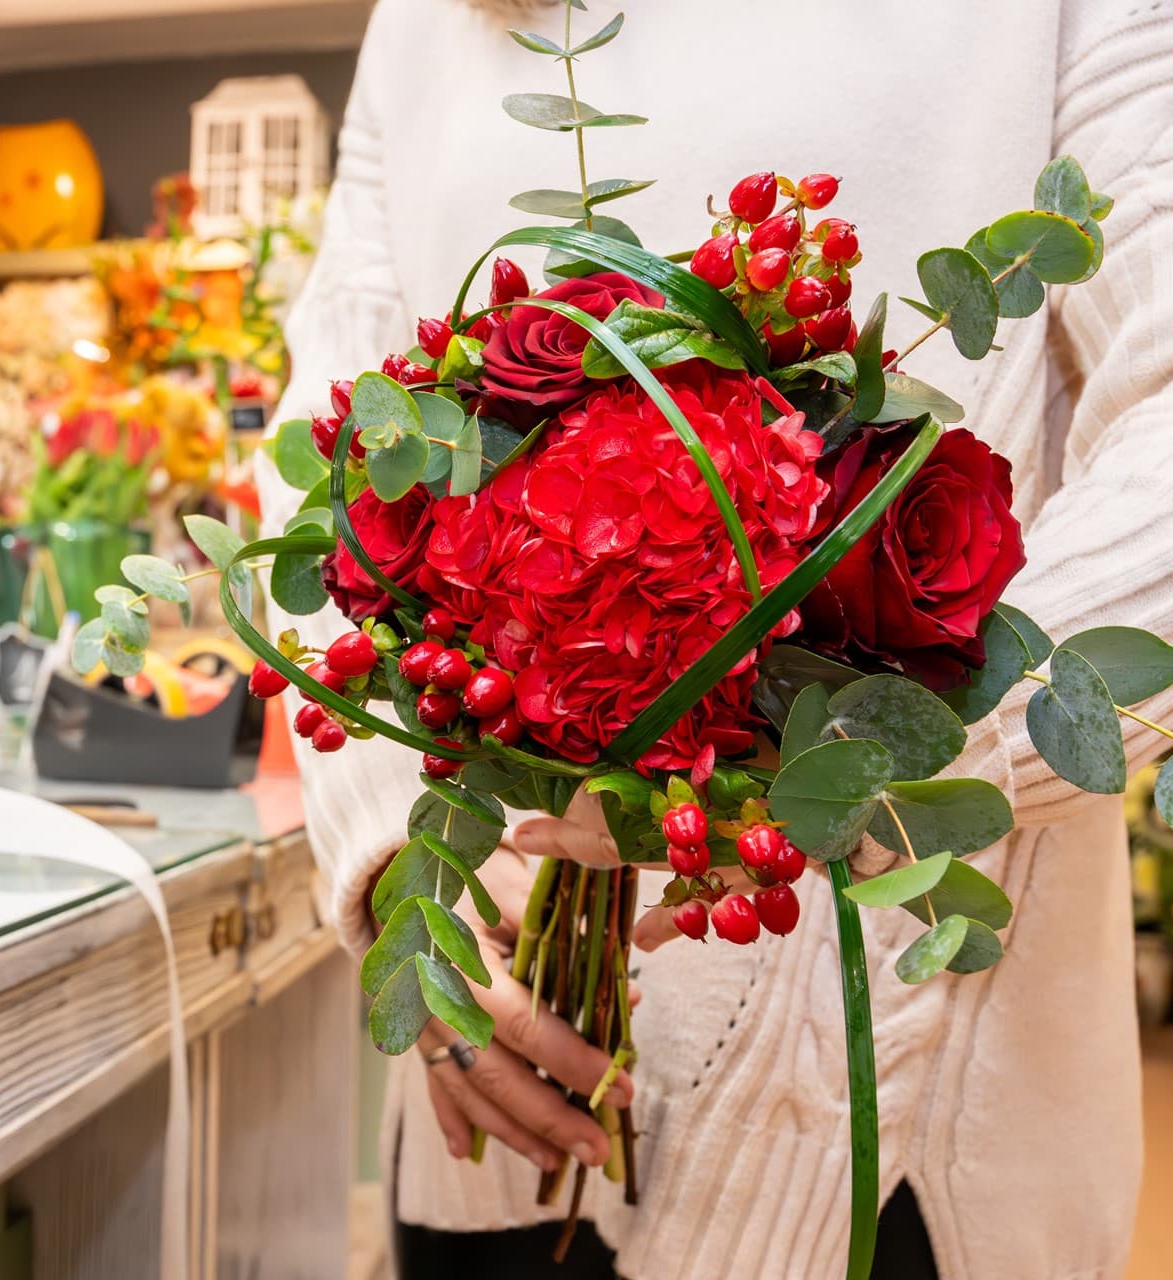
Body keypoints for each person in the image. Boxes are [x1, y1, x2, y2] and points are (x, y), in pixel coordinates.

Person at [260, 1, 1172, 1276]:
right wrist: (403, 866)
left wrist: (832, 771)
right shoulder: (425, 18)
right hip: (496, 1119)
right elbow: (330, 430)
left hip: (892, 1135)